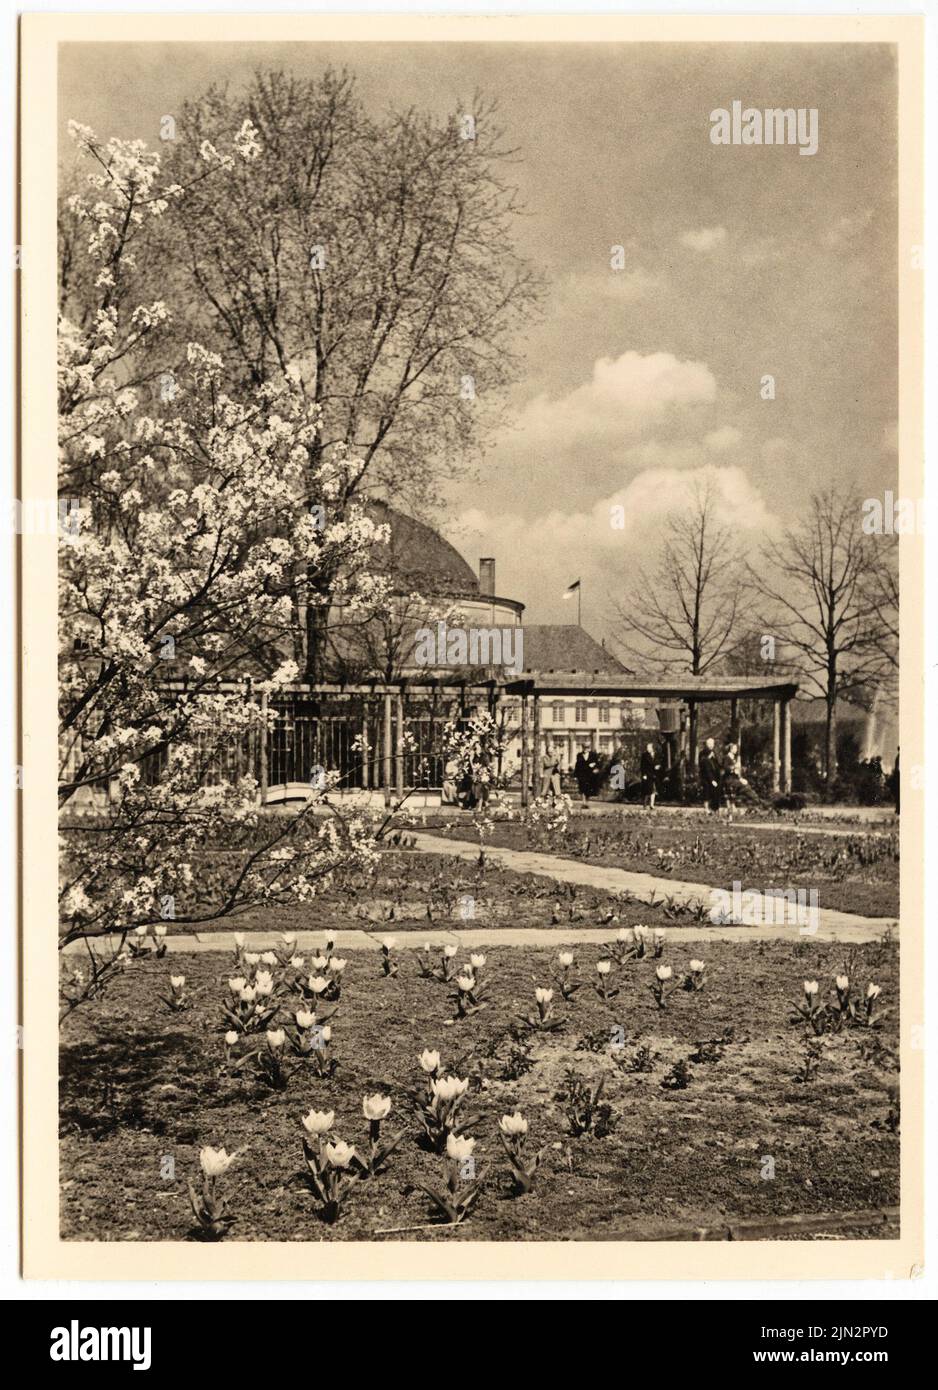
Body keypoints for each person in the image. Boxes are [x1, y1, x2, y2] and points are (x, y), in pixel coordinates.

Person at [698, 737, 722, 813]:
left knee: (715, 791)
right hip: (706, 776)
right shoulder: (702, 753)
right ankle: (706, 808)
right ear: (706, 744)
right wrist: (708, 758)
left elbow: (719, 763)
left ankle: (715, 808)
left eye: (712, 744)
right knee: (706, 791)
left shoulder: (715, 752)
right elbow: (702, 764)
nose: (711, 745)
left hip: (715, 775)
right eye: (709, 744)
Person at [722, 741, 743, 811]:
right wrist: (734, 767)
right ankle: (730, 806)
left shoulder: (734, 758)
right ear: (731, 749)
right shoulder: (726, 757)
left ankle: (732, 805)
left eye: (736, 748)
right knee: (730, 791)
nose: (736, 750)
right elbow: (725, 767)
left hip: (733, 777)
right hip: (728, 778)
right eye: (735, 748)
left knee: (734, 791)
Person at [640, 741, 660, 809]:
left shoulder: (655, 754)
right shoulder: (644, 755)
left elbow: (657, 762)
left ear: (652, 748)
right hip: (647, 774)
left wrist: (657, 766)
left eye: (649, 747)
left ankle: (652, 805)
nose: (648, 748)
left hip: (654, 775)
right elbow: (642, 766)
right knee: (647, 790)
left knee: (653, 790)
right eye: (647, 747)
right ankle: (645, 804)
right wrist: (644, 775)